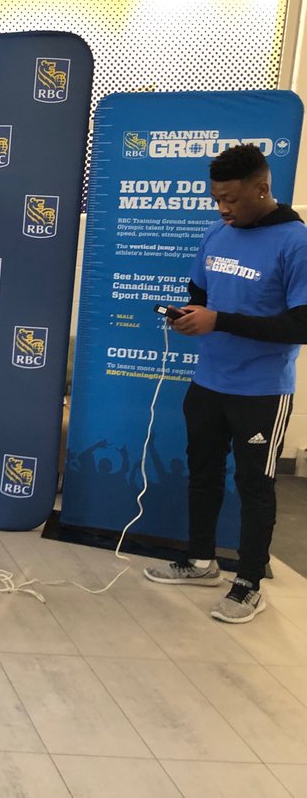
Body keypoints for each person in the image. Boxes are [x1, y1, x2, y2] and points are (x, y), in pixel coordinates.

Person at [144, 143, 307, 623]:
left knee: (255, 486)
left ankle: (250, 582)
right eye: (217, 198)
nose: (223, 208)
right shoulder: (217, 234)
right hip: (208, 382)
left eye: (232, 198)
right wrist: (191, 316)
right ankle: (200, 561)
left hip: (261, 391)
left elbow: (302, 326)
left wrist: (220, 321)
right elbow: (201, 294)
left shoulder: (296, 242)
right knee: (203, 474)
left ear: (262, 189)